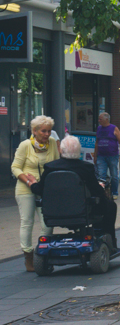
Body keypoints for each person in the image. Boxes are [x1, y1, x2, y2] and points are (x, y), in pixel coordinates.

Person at [32, 135, 118, 250]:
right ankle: (109, 239)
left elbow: (40, 189)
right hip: (82, 211)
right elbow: (96, 191)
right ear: (79, 151)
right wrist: (101, 187)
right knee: (110, 206)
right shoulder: (86, 168)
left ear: (61, 150)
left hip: (54, 212)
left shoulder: (50, 167)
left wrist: (31, 183)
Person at [12, 115, 61, 272]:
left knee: (48, 224)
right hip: (25, 188)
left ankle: (41, 252)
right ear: (34, 131)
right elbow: (15, 167)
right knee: (27, 222)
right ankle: (28, 256)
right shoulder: (25, 145)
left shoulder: (52, 143)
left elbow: (55, 163)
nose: (47, 134)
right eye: (43, 131)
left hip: (44, 189)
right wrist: (27, 181)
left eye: (49, 131)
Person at [94, 112, 120, 199]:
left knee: (114, 175)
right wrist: (95, 155)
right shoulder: (99, 128)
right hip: (101, 156)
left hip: (113, 156)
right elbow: (97, 142)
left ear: (106, 119)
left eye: (100, 119)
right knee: (101, 175)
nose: (99, 121)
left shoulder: (114, 128)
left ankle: (114, 192)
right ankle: (102, 193)